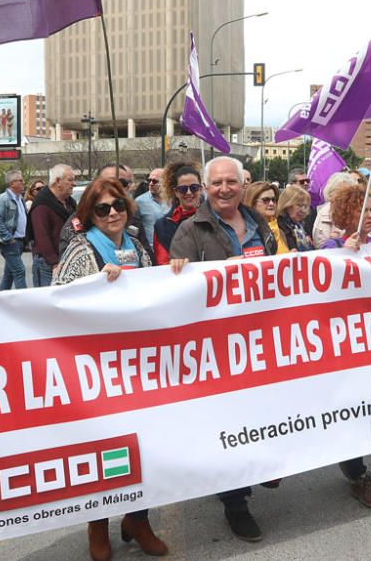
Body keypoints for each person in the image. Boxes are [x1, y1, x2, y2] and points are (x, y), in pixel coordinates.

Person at [52, 179, 167, 560]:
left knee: (143, 445)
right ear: (90, 214)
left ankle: (138, 519)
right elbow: (57, 302)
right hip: (97, 367)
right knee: (103, 448)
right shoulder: (80, 250)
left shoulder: (136, 245)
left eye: (118, 204)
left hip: (138, 363)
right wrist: (97, 287)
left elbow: (155, 292)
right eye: (102, 208)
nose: (113, 212)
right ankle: (97, 524)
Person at [169, 156, 276, 542]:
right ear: (206, 188)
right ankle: (235, 504)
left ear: (242, 185)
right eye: (217, 184)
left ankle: (262, 467)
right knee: (227, 425)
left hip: (260, 338)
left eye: (232, 182)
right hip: (216, 348)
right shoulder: (190, 229)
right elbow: (175, 290)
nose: (225, 189)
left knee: (259, 414)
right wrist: (182, 272)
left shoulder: (261, 225)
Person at [27, 164, 76, 286]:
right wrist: (54, 263)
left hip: (69, 260)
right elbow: (42, 237)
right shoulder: (42, 205)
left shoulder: (71, 203)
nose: (74, 184)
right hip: (49, 265)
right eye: (70, 180)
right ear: (58, 181)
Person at [152, 161, 202, 265]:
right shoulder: (163, 226)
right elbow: (162, 263)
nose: (189, 192)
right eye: (183, 189)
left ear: (201, 189)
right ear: (176, 192)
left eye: (194, 188)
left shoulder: (215, 218)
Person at [0, 169, 28, 290]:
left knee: (9, 274)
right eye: (20, 180)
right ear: (12, 183)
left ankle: (1, 299)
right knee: (19, 271)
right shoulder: (3, 199)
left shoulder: (20, 198)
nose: (23, 183)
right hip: (9, 242)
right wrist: (8, 238)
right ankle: (24, 301)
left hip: (20, 240)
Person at [321, 183, 371, 251]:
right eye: (363, 211)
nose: (370, 215)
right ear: (347, 214)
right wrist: (344, 252)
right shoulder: (332, 246)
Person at [310, 171, 355, 246]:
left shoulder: (359, 211)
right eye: (340, 192)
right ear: (330, 193)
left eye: (348, 192)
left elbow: (369, 238)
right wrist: (338, 242)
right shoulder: (323, 214)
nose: (344, 196)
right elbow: (321, 248)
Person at [245, 182, 290, 254]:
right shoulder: (247, 233)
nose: (271, 204)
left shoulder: (280, 232)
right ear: (252, 203)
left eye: (274, 200)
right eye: (266, 200)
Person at [135, 167, 170, 245]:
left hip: (170, 249)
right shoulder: (139, 202)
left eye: (155, 181)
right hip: (151, 250)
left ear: (165, 182)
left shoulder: (173, 200)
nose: (150, 184)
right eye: (149, 180)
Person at [275, 183, 313, 252]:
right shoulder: (278, 226)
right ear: (287, 205)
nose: (303, 210)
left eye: (305, 206)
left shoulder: (301, 225)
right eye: (299, 205)